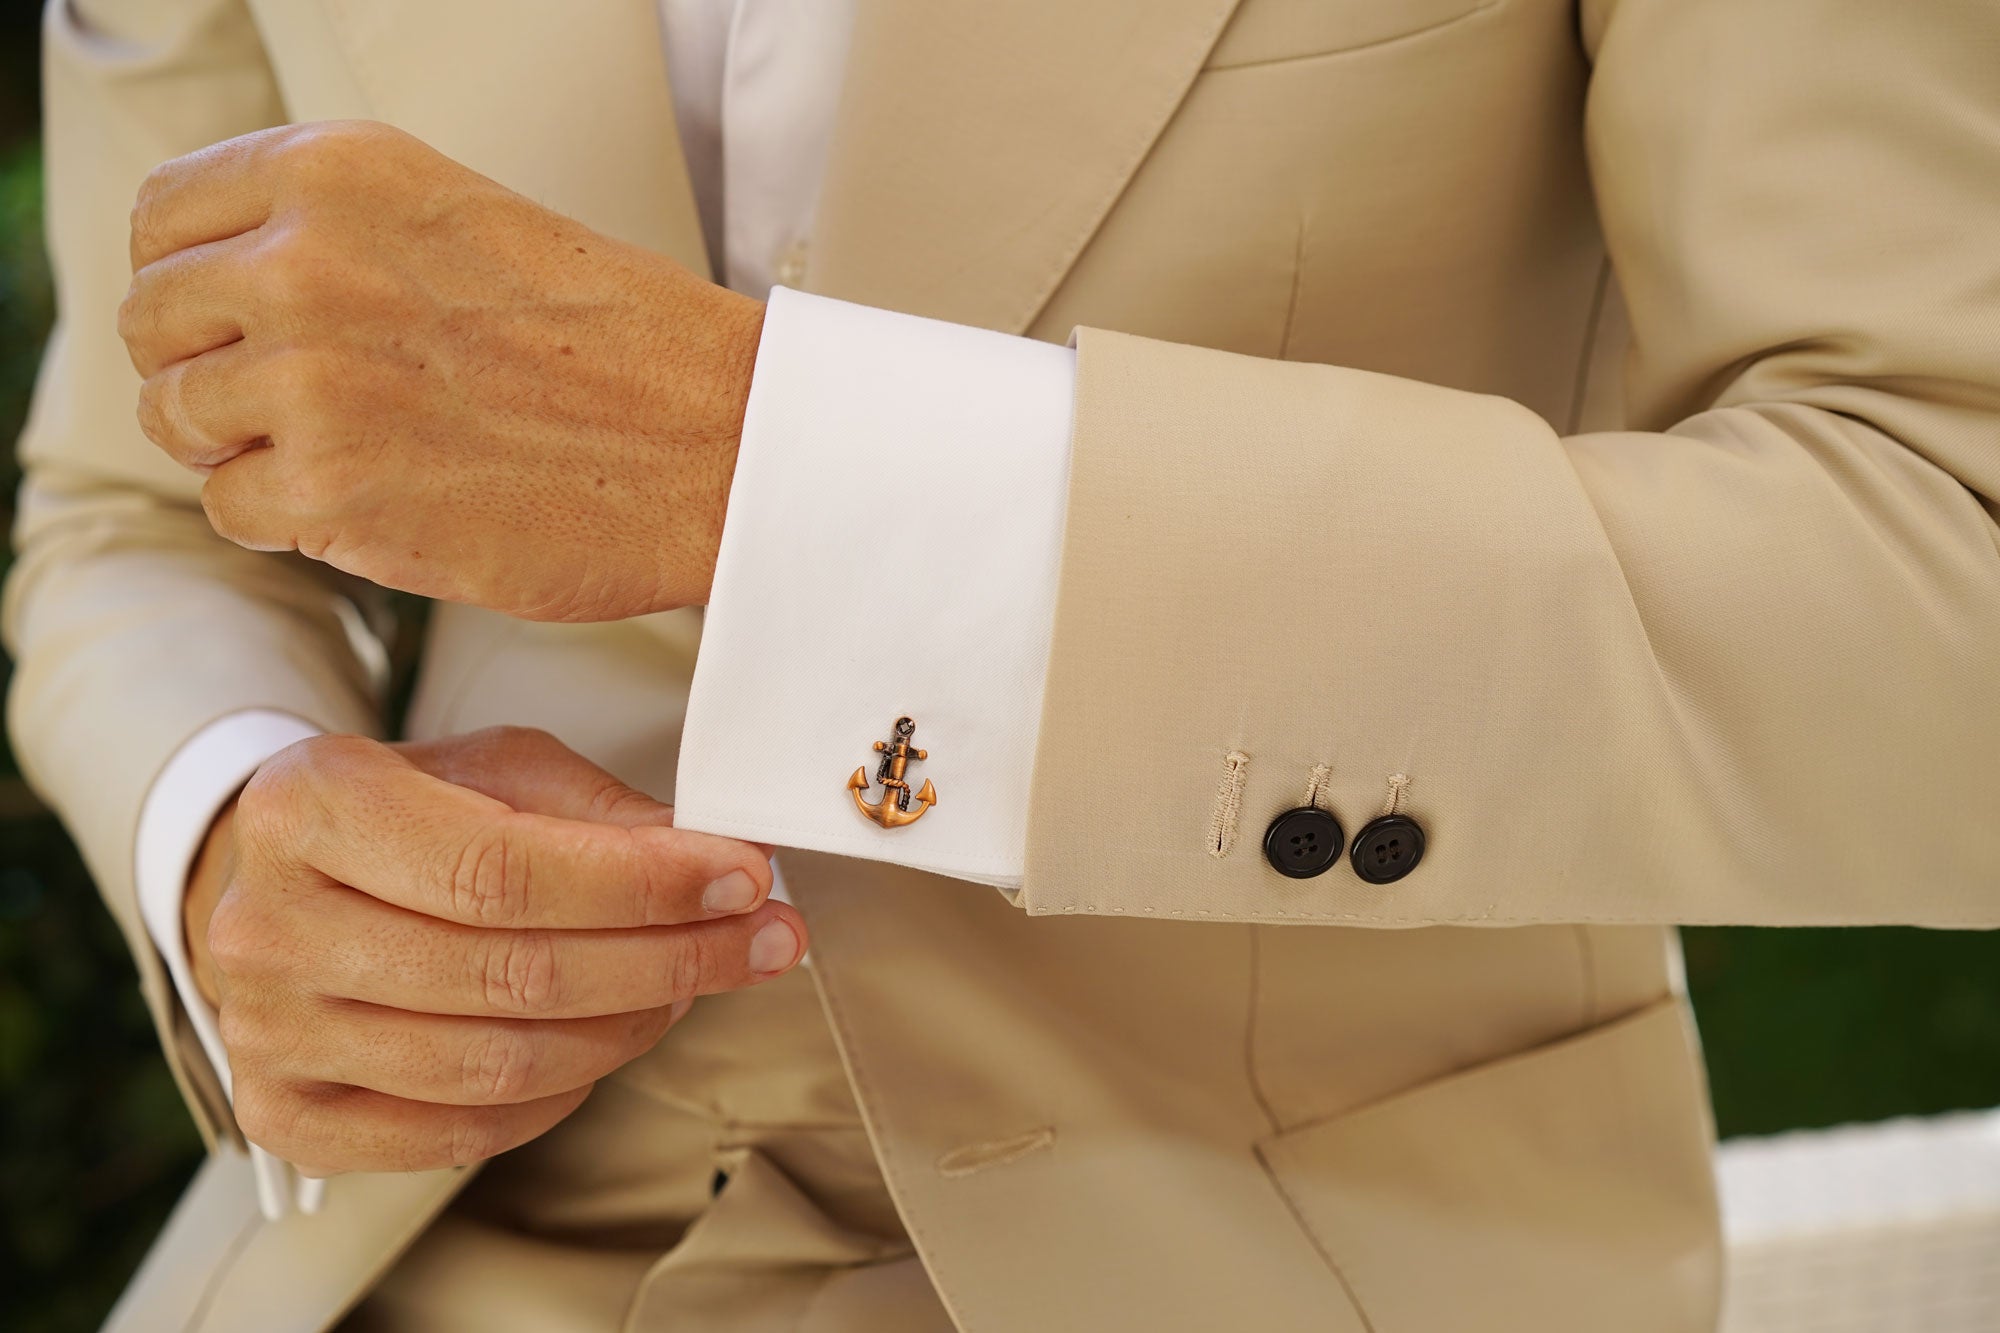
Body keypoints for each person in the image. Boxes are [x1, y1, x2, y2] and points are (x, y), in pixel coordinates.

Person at [10, 0, 1998, 1328]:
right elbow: (125, 500)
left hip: (1285, 1253)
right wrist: (231, 818)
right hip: (405, 1256)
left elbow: (1946, 593)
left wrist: (778, 474)